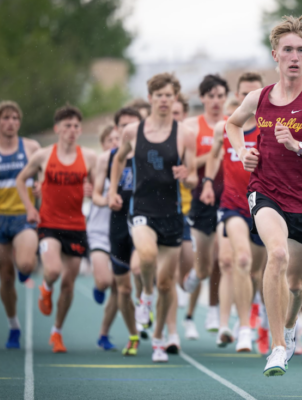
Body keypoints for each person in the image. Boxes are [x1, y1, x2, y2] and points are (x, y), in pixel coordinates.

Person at [226, 16, 302, 376]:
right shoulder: (258, 98)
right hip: (266, 192)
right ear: (275, 55)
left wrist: (300, 147)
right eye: (287, 50)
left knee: (297, 283)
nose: (293, 56)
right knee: (276, 254)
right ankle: (277, 347)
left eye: (300, 50)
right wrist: (243, 152)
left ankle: (291, 324)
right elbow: (232, 124)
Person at [109, 73, 197, 362]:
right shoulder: (132, 131)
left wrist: (186, 176)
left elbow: (193, 179)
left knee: (166, 284)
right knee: (146, 256)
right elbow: (118, 159)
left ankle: (158, 338)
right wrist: (112, 191)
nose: (164, 100)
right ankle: (145, 296)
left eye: (168, 95)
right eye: (158, 95)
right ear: (150, 98)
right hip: (142, 210)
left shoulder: (184, 134)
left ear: (175, 98)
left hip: (172, 215)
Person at [16, 104, 97, 353]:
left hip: (76, 226)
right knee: (52, 270)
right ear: (57, 129)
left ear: (80, 130)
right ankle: (46, 287)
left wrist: (92, 191)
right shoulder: (43, 156)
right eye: (67, 126)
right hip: (49, 223)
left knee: (69, 284)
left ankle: (57, 332)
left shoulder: (89, 157)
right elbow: (21, 179)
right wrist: (30, 208)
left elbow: (98, 189)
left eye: (76, 126)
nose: (72, 130)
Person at [201, 72, 267, 352]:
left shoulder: (269, 128)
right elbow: (215, 154)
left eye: (256, 93)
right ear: (238, 96)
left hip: (264, 206)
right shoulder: (225, 127)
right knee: (240, 259)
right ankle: (243, 330)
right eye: (245, 93)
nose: (251, 98)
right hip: (233, 205)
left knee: (257, 272)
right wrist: (207, 182)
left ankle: (259, 316)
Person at [0, 101, 40, 349]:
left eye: (15, 118)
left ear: (19, 122)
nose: (11, 122)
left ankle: (25, 269)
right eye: (6, 118)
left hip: (24, 216)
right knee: (6, 278)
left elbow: (45, 173)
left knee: (26, 264)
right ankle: (13, 326)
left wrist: (40, 185)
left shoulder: (31, 147)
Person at [91, 107, 143, 355]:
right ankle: (133, 334)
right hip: (118, 224)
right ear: (116, 128)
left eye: (134, 124)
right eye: (124, 125)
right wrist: (108, 199)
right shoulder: (107, 158)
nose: (129, 130)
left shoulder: (150, 152)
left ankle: (146, 302)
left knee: (139, 267)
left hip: (144, 220)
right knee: (123, 288)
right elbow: (96, 194)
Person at [181, 74, 229, 334]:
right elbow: (185, 166)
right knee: (203, 267)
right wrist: (212, 155)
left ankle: (213, 310)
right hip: (201, 199)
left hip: (228, 198)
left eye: (220, 96)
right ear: (202, 98)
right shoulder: (191, 127)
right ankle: (194, 276)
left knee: (222, 257)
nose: (216, 101)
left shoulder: (232, 124)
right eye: (211, 96)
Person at [164, 93, 193, 351]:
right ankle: (172, 332)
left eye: (177, 113)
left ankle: (184, 312)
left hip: (184, 213)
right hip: (156, 213)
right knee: (169, 275)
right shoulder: (150, 137)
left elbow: (194, 179)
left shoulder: (188, 139)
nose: (173, 117)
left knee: (187, 274)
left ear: (184, 115)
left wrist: (186, 176)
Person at [87, 125, 120, 351]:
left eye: (118, 139)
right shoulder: (101, 164)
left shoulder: (129, 165)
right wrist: (107, 199)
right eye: (110, 140)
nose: (115, 143)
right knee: (105, 281)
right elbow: (95, 194)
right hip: (99, 232)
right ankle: (99, 286)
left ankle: (104, 334)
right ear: (103, 144)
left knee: (119, 288)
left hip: (120, 234)